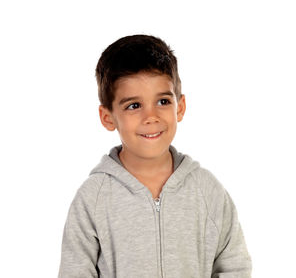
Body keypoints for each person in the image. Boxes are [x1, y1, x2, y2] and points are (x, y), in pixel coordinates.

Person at [58, 34, 252, 278]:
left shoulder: (207, 190)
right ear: (108, 117)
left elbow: (234, 266)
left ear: (179, 107)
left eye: (162, 101)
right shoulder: (93, 198)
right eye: (134, 105)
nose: (151, 117)